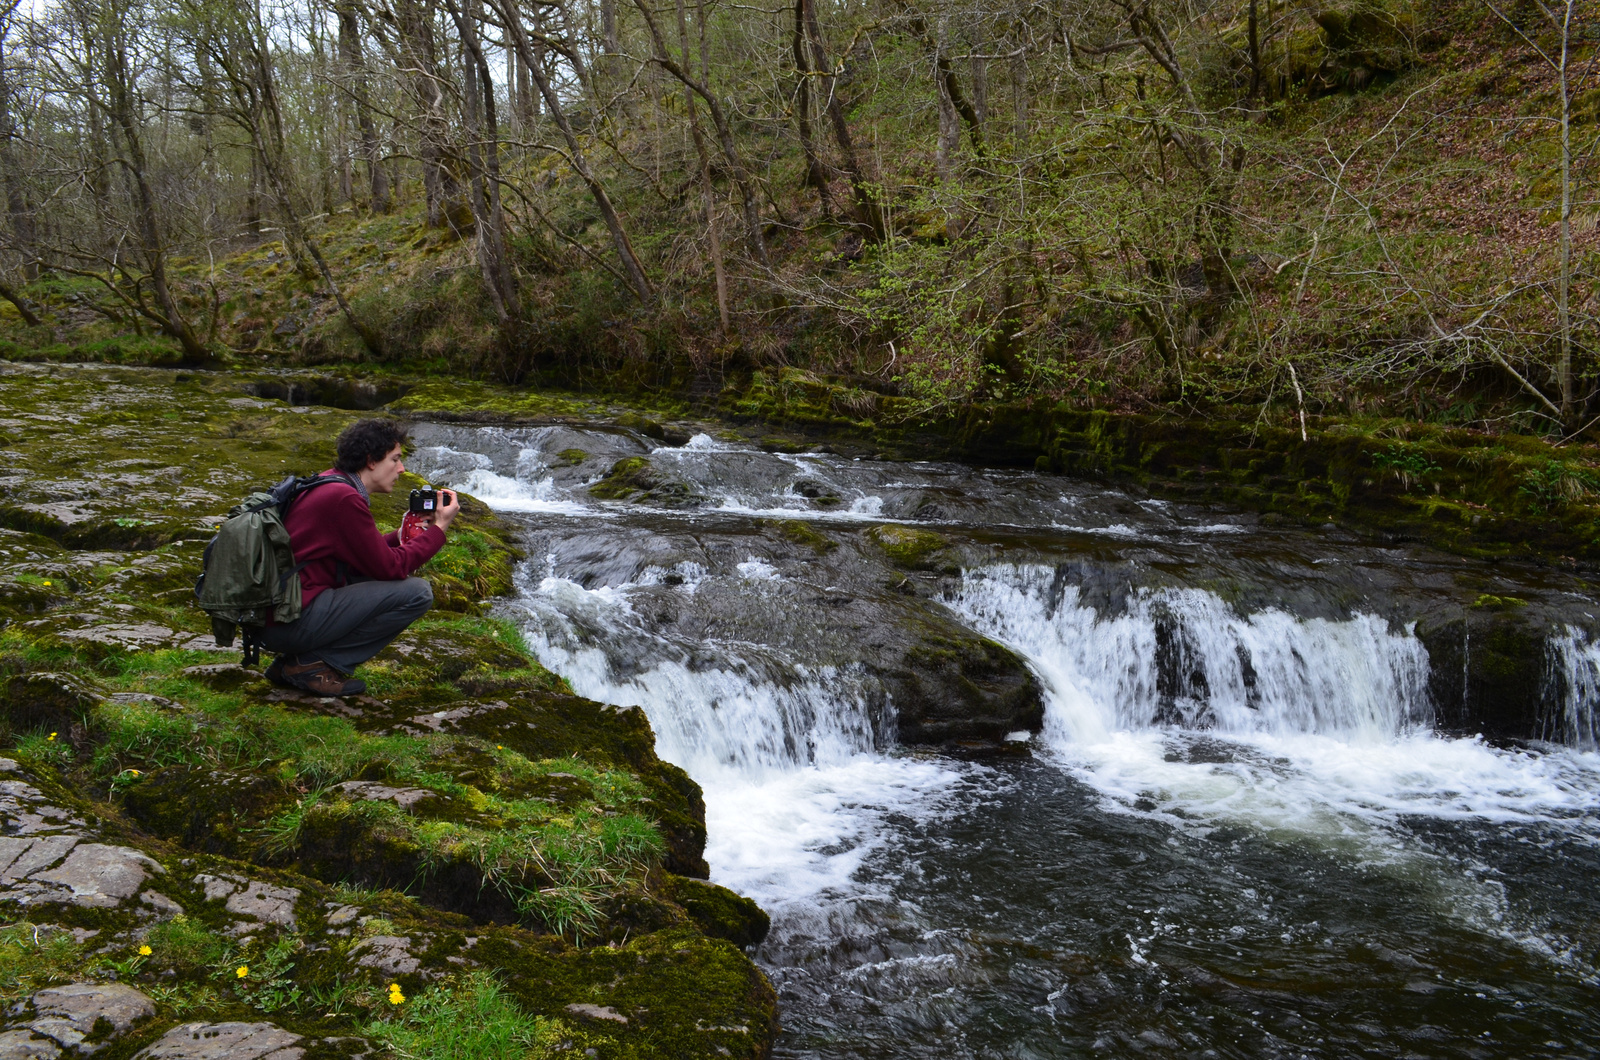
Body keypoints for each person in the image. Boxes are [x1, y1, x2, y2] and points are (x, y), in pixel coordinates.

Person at [259, 419, 459, 696]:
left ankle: (293, 663)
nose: (401, 469)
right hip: (288, 622)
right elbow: (392, 568)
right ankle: (311, 664)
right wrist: (438, 530)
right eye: (395, 459)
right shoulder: (343, 498)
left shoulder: (329, 482)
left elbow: (365, 553)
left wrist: (405, 532)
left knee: (376, 577)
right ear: (372, 461)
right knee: (417, 593)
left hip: (277, 616)